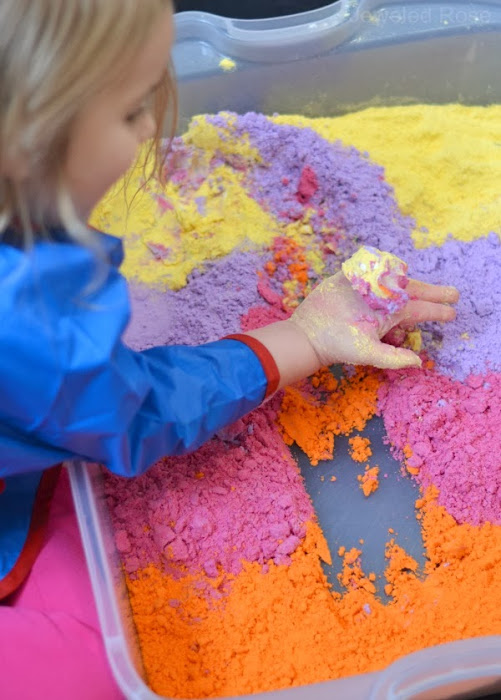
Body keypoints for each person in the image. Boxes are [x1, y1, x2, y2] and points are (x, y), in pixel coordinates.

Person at [0, 1, 459, 698]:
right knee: (87, 668)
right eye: (130, 111)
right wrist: (301, 337)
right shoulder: (29, 318)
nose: (153, 126)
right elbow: (131, 414)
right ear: (22, 138)